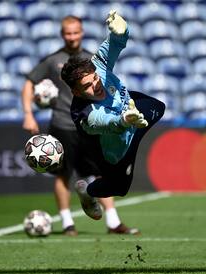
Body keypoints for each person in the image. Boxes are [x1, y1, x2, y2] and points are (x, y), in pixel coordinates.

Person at [21, 15, 139, 236]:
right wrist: (28, 114)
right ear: (62, 34)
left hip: (92, 125)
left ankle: (113, 222)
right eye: (68, 33)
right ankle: (68, 224)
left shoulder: (90, 60)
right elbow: (29, 83)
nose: (72, 36)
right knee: (63, 175)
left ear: (82, 32)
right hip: (63, 124)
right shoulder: (52, 61)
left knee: (99, 173)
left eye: (76, 32)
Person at [61, 11, 165, 220]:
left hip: (131, 112)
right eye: (87, 86)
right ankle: (87, 192)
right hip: (116, 145)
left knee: (158, 106)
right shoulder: (85, 113)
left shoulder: (97, 65)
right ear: (76, 92)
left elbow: (114, 44)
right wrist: (125, 120)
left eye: (95, 79)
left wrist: (121, 32)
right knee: (119, 188)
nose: (96, 86)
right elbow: (106, 122)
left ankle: (133, 116)